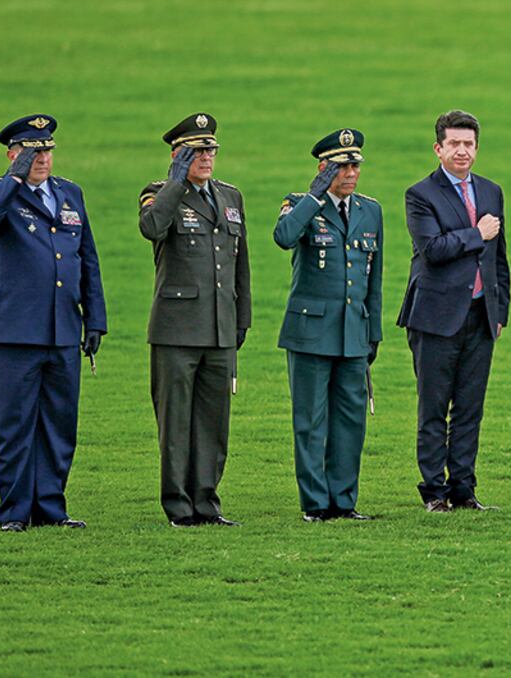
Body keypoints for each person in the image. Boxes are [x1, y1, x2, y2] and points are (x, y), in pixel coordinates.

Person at [0, 114, 106, 532]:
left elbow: (87, 260)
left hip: (62, 329)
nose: (41, 158)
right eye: (31, 151)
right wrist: (13, 178)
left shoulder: (69, 194)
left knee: (58, 425)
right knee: (13, 427)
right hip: (14, 332)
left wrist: (94, 318)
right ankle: (13, 513)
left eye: (45, 150)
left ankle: (50, 508)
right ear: (13, 155)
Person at [139, 112, 251, 527]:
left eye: (210, 150)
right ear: (177, 155)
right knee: (176, 421)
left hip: (220, 328)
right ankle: (178, 506)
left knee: (213, 422)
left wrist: (243, 318)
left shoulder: (230, 196)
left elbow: (241, 265)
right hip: (176, 329)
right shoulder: (158, 193)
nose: (205, 157)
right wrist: (175, 181)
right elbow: (152, 228)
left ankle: (207, 502)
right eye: (196, 151)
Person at [399, 111, 509, 513]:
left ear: (477, 148)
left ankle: (464, 489)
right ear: (438, 148)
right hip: (435, 315)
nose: (462, 151)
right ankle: (434, 491)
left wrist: (501, 308)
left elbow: (500, 257)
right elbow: (433, 250)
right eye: (454, 144)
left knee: (469, 408)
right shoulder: (420, 194)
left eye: (469, 144)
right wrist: (476, 234)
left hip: (481, 314)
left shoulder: (491, 191)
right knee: (433, 407)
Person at [275, 128, 382, 522]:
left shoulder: (370, 210)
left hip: (353, 331)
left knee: (350, 421)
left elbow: (375, 278)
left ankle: (344, 501)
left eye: (354, 165)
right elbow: (284, 237)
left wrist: (374, 333)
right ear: (323, 168)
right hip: (310, 333)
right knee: (311, 420)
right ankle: (315, 504)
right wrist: (317, 192)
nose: (351, 173)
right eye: (341, 166)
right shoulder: (300, 204)